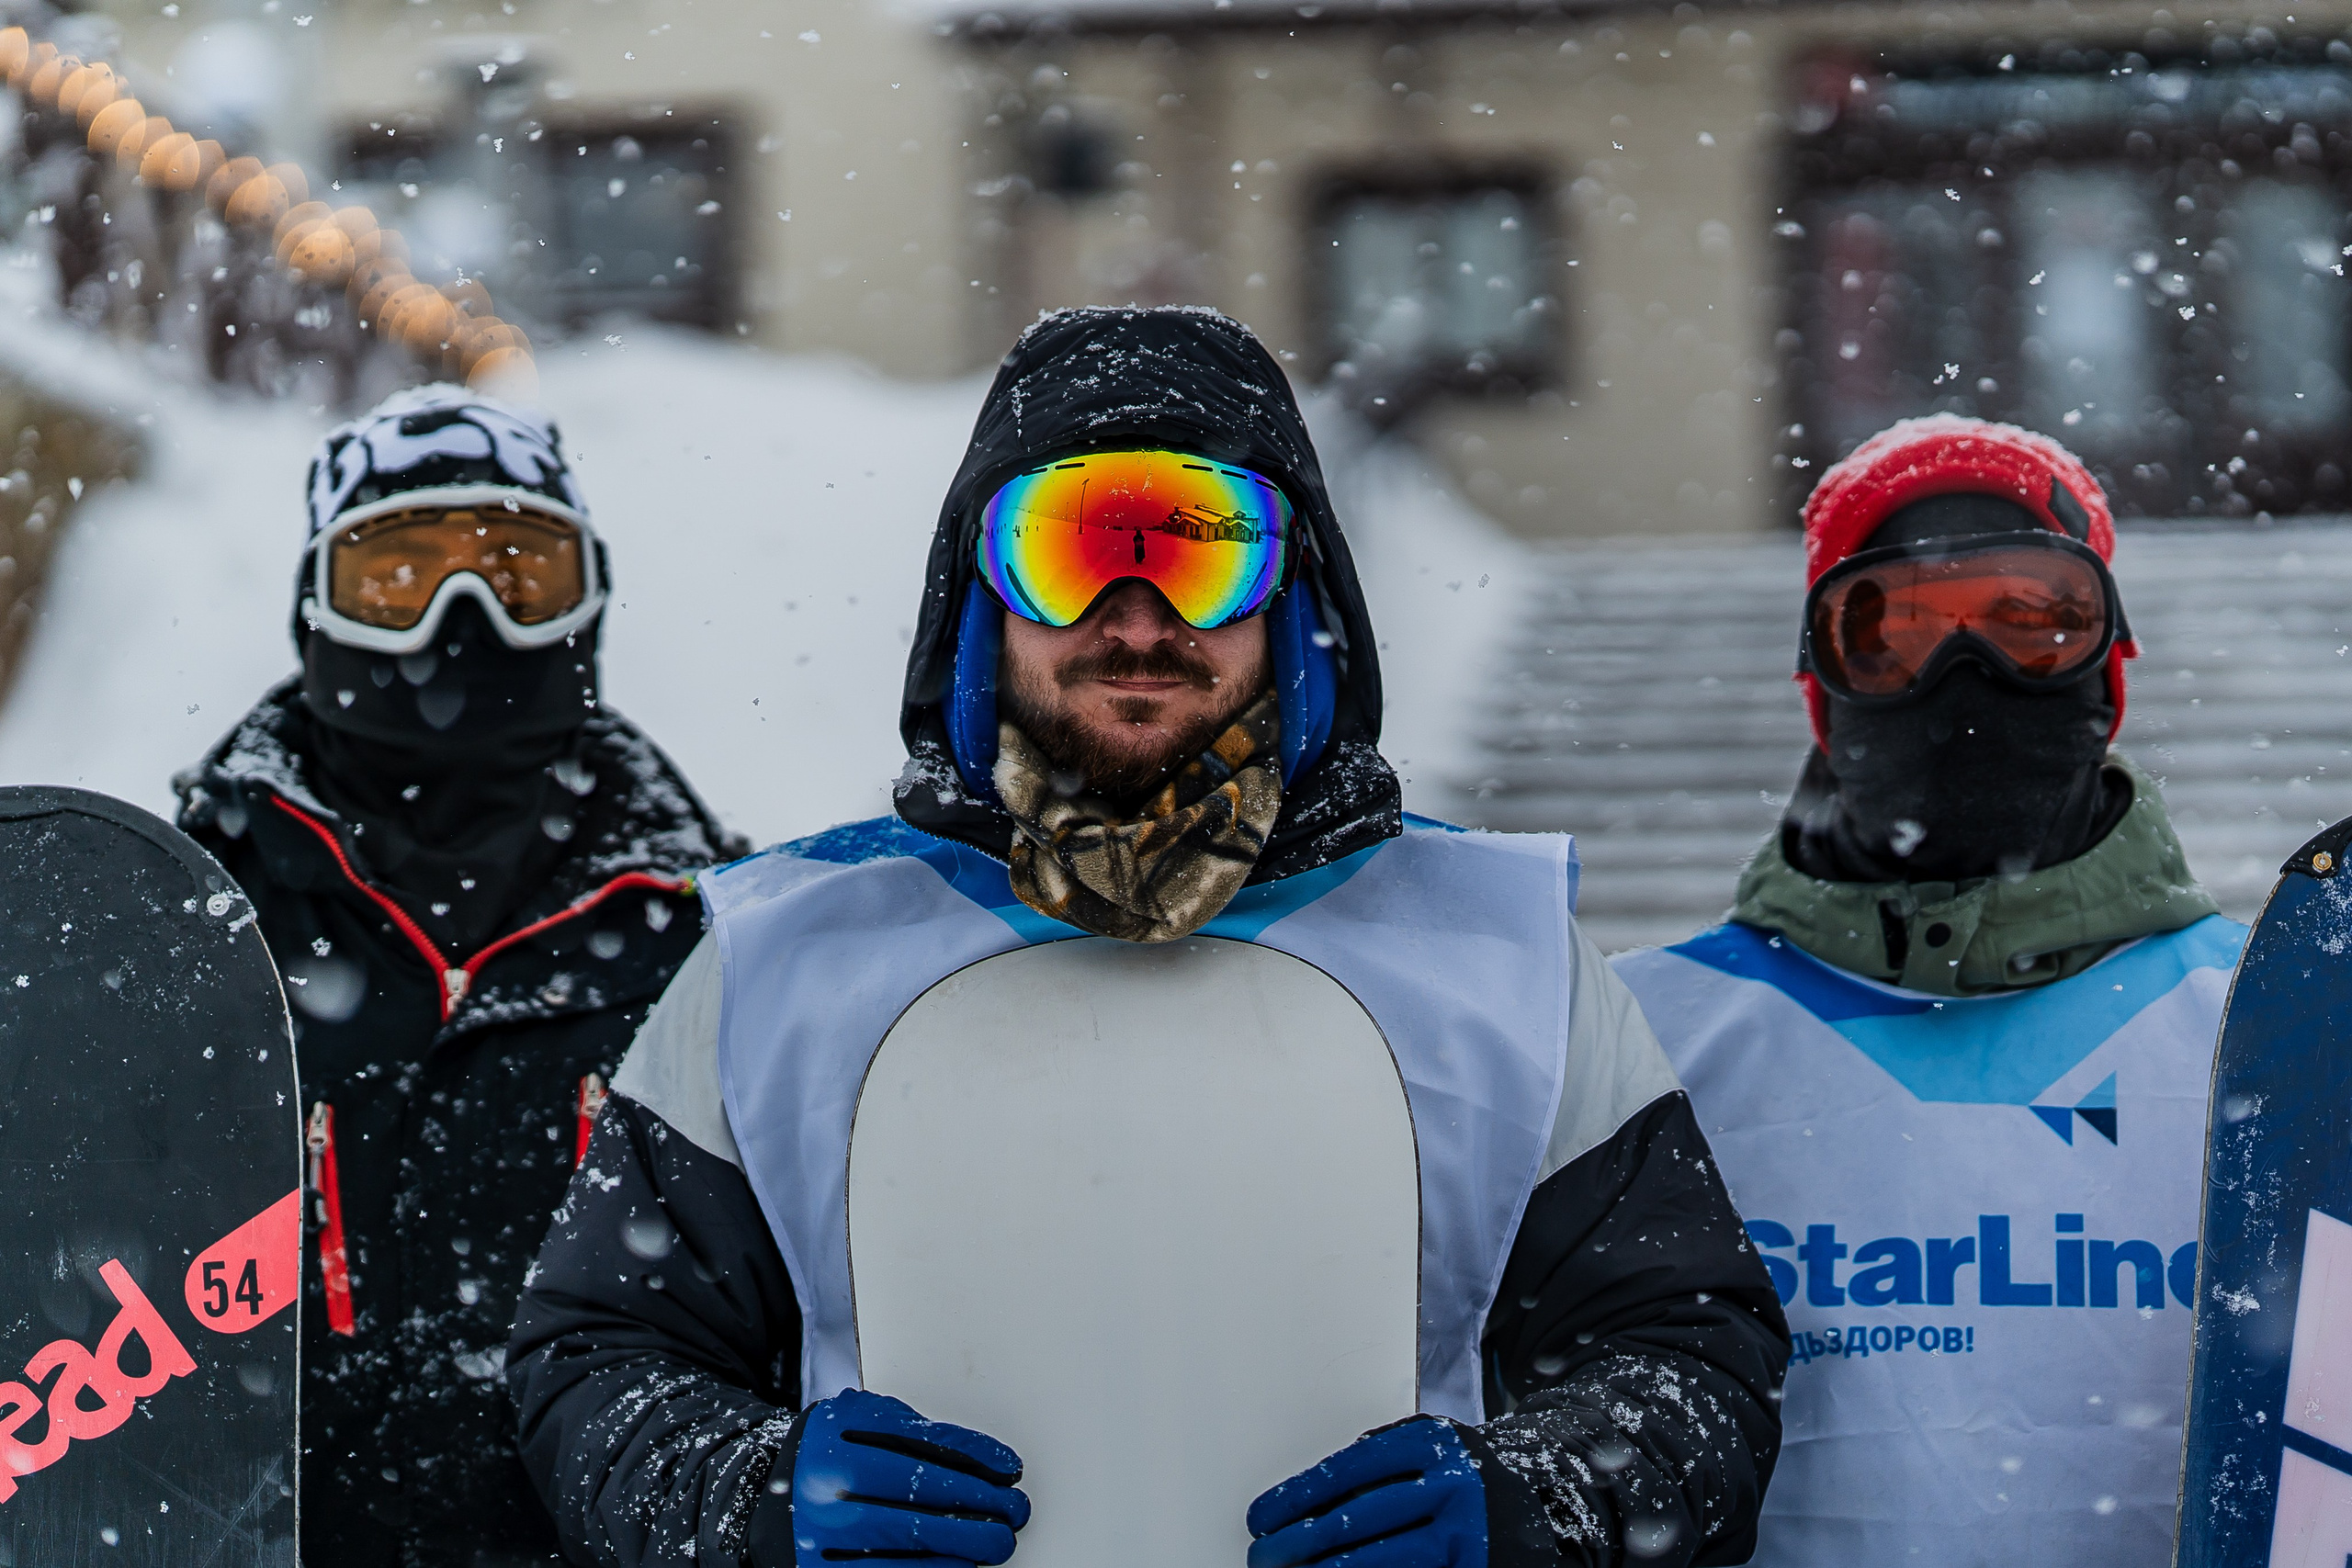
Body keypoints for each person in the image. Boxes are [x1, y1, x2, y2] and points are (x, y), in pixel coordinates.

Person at [505, 306, 1789, 1567]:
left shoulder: (1499, 958)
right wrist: (748, 1498)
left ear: (1293, 591)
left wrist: (1539, 1502)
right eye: (1066, 552)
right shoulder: (780, 960)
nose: (1133, 616)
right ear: (980, 594)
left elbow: (1687, 1347)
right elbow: (598, 1357)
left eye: (1202, 549)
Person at [1611, 414, 2244, 1566]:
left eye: (2030, 620)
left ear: (2105, 668)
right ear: (1826, 691)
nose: (1966, 676)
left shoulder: (2269, 1030)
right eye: (1891, 632)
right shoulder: (1638, 1042)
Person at [175, 384, 744, 1566]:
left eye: (521, 572)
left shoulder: (714, 936)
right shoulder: (187, 925)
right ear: (315, 611)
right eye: (396, 575)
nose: (464, 615)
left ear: (586, 605)